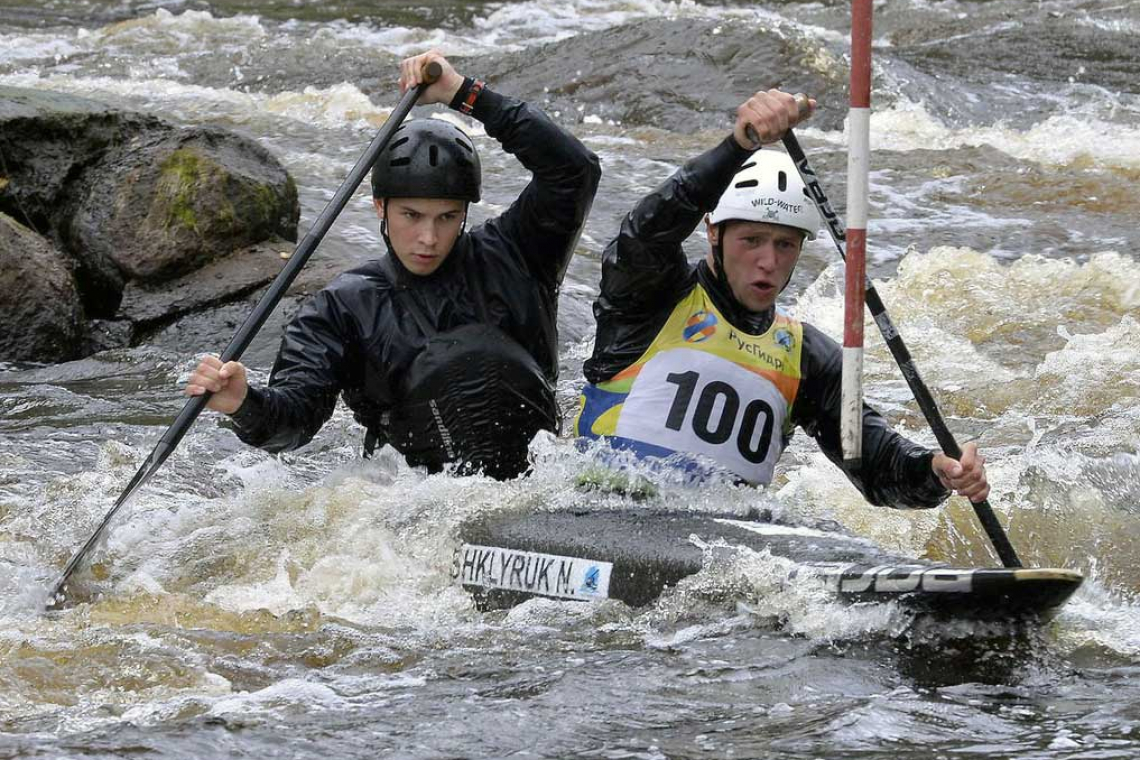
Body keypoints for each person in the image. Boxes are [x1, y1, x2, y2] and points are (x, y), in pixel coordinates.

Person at [185, 51, 601, 480]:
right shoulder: (341, 309)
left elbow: (574, 169)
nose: (429, 238)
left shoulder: (518, 255)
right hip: (416, 499)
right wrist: (243, 402)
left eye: (447, 217)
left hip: (545, 478)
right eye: (411, 216)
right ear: (380, 206)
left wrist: (465, 94)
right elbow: (294, 422)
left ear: (465, 212)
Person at [575, 89, 988, 508]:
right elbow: (649, 229)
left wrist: (936, 471)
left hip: (712, 546)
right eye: (751, 240)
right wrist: (738, 145)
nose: (768, 261)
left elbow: (877, 467)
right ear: (713, 232)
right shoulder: (651, 296)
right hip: (600, 517)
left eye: (785, 245)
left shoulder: (805, 357)